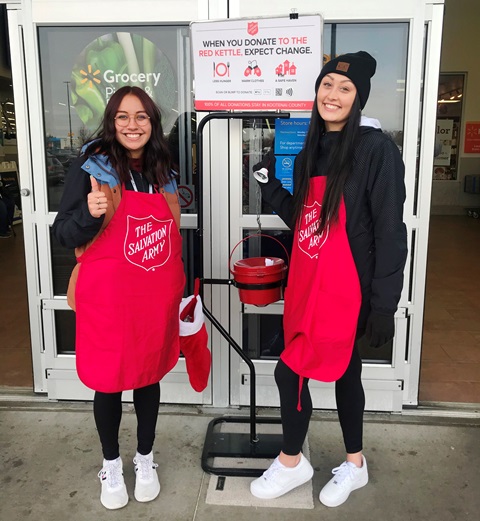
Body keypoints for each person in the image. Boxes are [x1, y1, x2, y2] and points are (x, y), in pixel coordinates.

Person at [250, 51, 407, 507]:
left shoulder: (375, 150)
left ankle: (292, 459)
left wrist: (383, 306)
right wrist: (271, 189)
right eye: (326, 85)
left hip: (348, 289)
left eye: (344, 88)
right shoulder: (308, 153)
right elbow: (308, 221)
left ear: (358, 99)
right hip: (309, 282)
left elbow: (390, 233)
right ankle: (354, 464)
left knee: (291, 370)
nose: (332, 95)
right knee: (342, 372)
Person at [52, 86, 185, 510]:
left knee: (148, 376)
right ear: (112, 122)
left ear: (153, 123)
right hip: (109, 299)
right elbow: (63, 234)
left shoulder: (163, 170)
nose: (133, 125)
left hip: (152, 297)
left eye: (142, 116)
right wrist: (89, 215)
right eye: (124, 117)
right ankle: (112, 464)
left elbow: (171, 235)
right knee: (109, 382)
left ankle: (145, 458)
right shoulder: (92, 166)